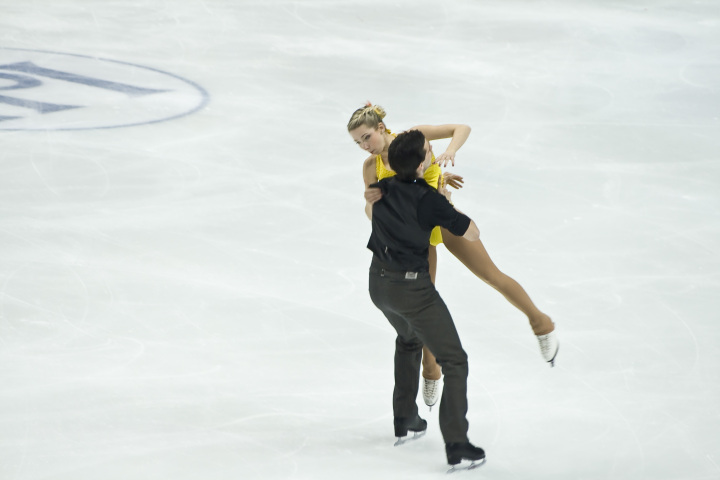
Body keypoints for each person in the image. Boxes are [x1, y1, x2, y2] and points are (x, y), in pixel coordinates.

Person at [347, 104, 559, 387]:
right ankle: (431, 369)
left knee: (491, 275)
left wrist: (449, 152)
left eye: (366, 137)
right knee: (422, 306)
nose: (364, 146)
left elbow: (461, 128)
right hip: (416, 237)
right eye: (358, 142)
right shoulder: (370, 167)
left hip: (442, 217)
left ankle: (540, 322)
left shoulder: (414, 137)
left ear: (381, 128)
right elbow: (374, 209)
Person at [367, 129, 485, 468]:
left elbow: (374, 205)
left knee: (408, 339)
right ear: (422, 164)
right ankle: (457, 443)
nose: (433, 151)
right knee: (455, 361)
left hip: (379, 285)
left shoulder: (381, 187)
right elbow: (472, 233)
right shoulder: (428, 199)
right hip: (412, 290)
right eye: (429, 149)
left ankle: (405, 419)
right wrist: (445, 203)